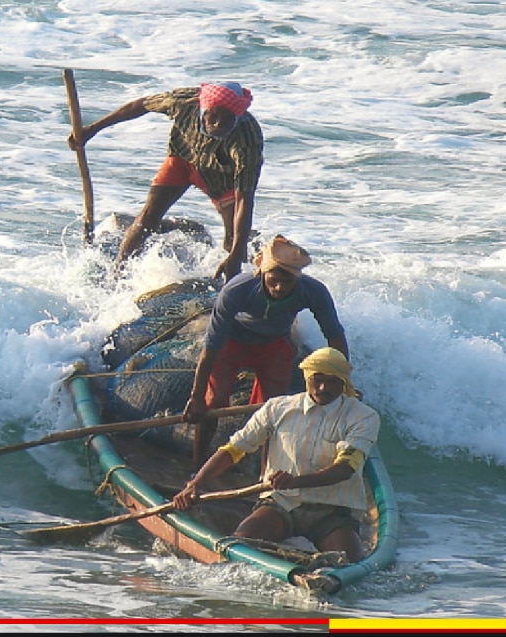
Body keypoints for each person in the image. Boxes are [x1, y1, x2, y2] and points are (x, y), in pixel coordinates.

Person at [173, 347, 379, 563]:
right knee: (239, 550)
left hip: (334, 512)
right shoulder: (277, 408)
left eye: (332, 382)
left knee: (349, 565)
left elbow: (345, 469)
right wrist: (195, 483)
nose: (323, 388)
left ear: (343, 383)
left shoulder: (363, 417)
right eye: (317, 380)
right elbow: (234, 450)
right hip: (282, 504)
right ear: (307, 377)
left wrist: (295, 481)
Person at [182, 234, 350, 467]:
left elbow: (335, 336)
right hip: (233, 339)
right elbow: (211, 347)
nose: (280, 288)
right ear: (263, 274)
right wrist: (196, 397)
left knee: (271, 410)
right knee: (213, 403)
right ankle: (197, 464)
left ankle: (265, 473)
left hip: (274, 343)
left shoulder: (314, 291)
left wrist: (345, 384)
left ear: (297, 279)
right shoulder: (237, 290)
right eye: (273, 281)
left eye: (288, 282)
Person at [68, 82, 263, 280]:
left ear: (237, 118)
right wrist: (92, 129)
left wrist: (236, 254)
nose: (218, 124)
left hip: (221, 176)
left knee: (234, 241)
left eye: (227, 119)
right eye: (213, 116)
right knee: (148, 218)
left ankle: (234, 284)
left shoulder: (248, 140)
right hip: (181, 160)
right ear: (203, 111)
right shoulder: (183, 102)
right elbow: (140, 106)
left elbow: (244, 200)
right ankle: (118, 274)